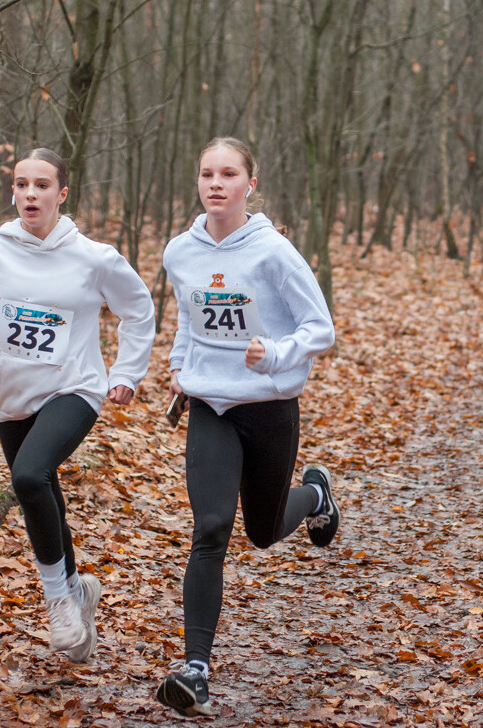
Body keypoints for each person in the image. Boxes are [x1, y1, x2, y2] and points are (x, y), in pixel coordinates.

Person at [0, 147, 155, 663]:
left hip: (75, 388)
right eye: (21, 184)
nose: (29, 194)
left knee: (30, 477)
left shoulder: (94, 257)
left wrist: (125, 373)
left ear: (62, 193)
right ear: (12, 191)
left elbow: (139, 310)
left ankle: (58, 600)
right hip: (13, 399)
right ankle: (78, 591)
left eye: (41, 185)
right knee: (45, 493)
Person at [155, 137, 340, 717]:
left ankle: (314, 494)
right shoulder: (179, 252)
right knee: (211, 528)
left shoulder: (273, 253)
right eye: (207, 173)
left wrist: (277, 352)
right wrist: (179, 369)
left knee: (259, 531)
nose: (216, 184)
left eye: (228, 174)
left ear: (249, 184)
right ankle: (195, 669)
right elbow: (188, 319)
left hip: (268, 405)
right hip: (210, 404)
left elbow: (321, 329)